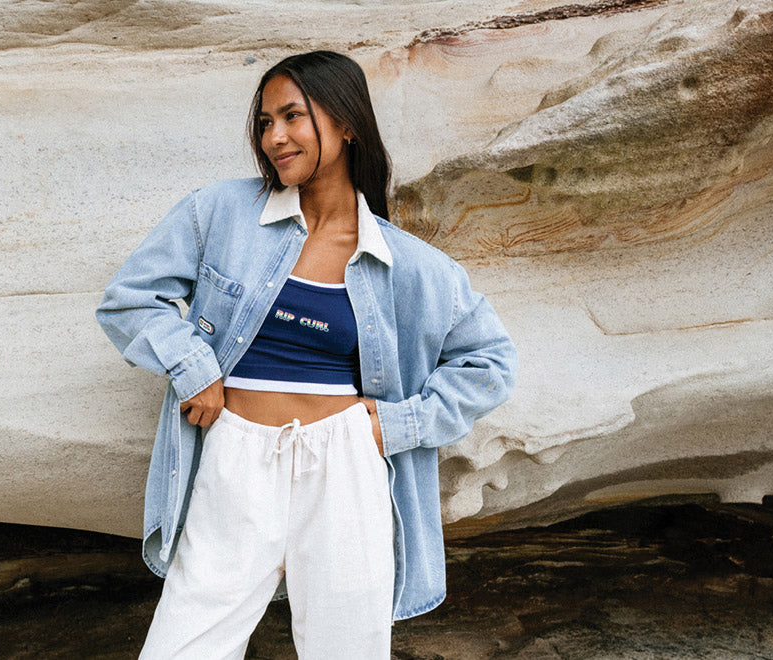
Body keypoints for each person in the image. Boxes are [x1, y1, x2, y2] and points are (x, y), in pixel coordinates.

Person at [96, 50, 517, 658]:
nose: (275, 137)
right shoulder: (219, 213)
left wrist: (397, 425)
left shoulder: (411, 265)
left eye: (292, 116)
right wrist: (194, 368)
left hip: (347, 463)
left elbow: (490, 362)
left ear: (346, 123)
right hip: (236, 451)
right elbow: (129, 300)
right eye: (265, 122)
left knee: (344, 647)